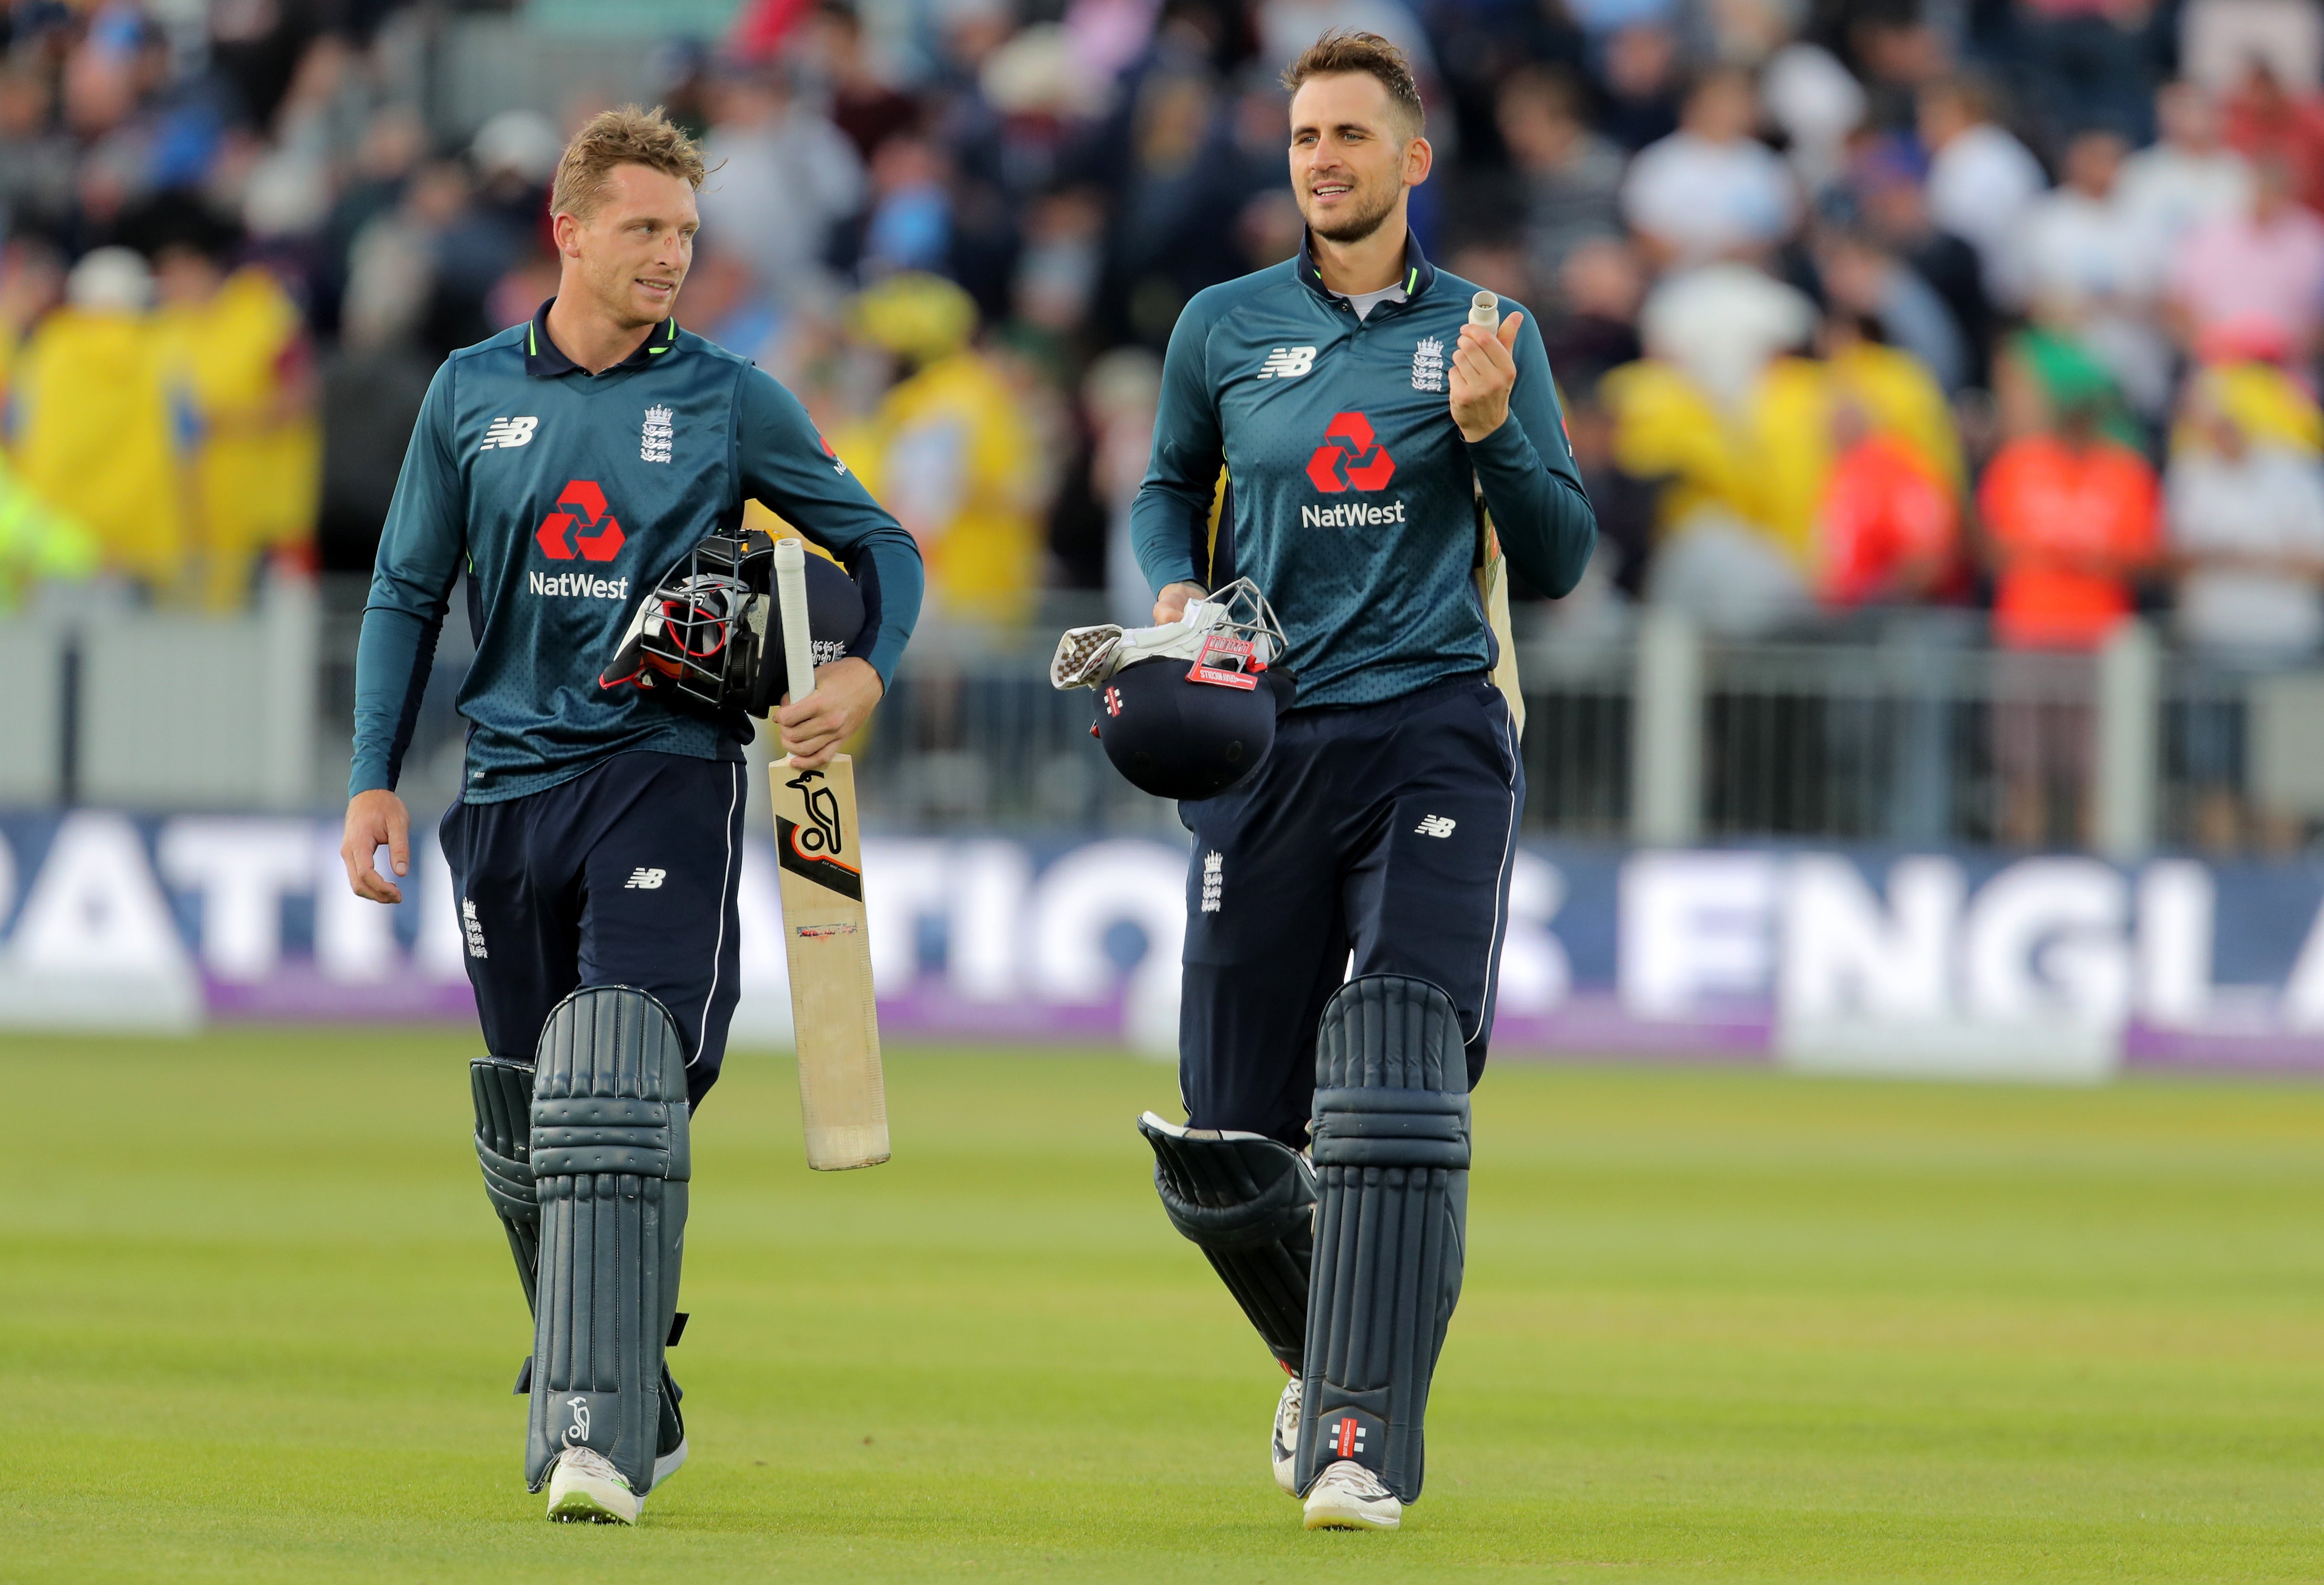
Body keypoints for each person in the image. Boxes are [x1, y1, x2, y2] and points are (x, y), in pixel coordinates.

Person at [336, 107, 923, 1526]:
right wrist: (370, 775)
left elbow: (881, 549)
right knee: (539, 1126)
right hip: (504, 793)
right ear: (570, 227)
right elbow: (409, 593)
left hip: (665, 772)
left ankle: (587, 1425)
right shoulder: (472, 393)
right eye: (646, 229)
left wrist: (857, 673)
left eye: (686, 235)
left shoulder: (730, 398)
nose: (671, 257)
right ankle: (631, 1372)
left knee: (619, 1084)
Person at [1129, 30, 1595, 1532]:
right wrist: (1173, 594)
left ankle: (1359, 1437)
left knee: (1393, 1078)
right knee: (1223, 1144)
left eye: (1349, 135)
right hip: (1260, 742)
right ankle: (1316, 1348)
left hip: (1433, 732)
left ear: (1413, 159)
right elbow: (1159, 487)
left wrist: (1487, 438)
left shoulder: (1486, 330)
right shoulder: (1221, 322)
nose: (1320, 159)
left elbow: (1565, 557)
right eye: (1303, 135)